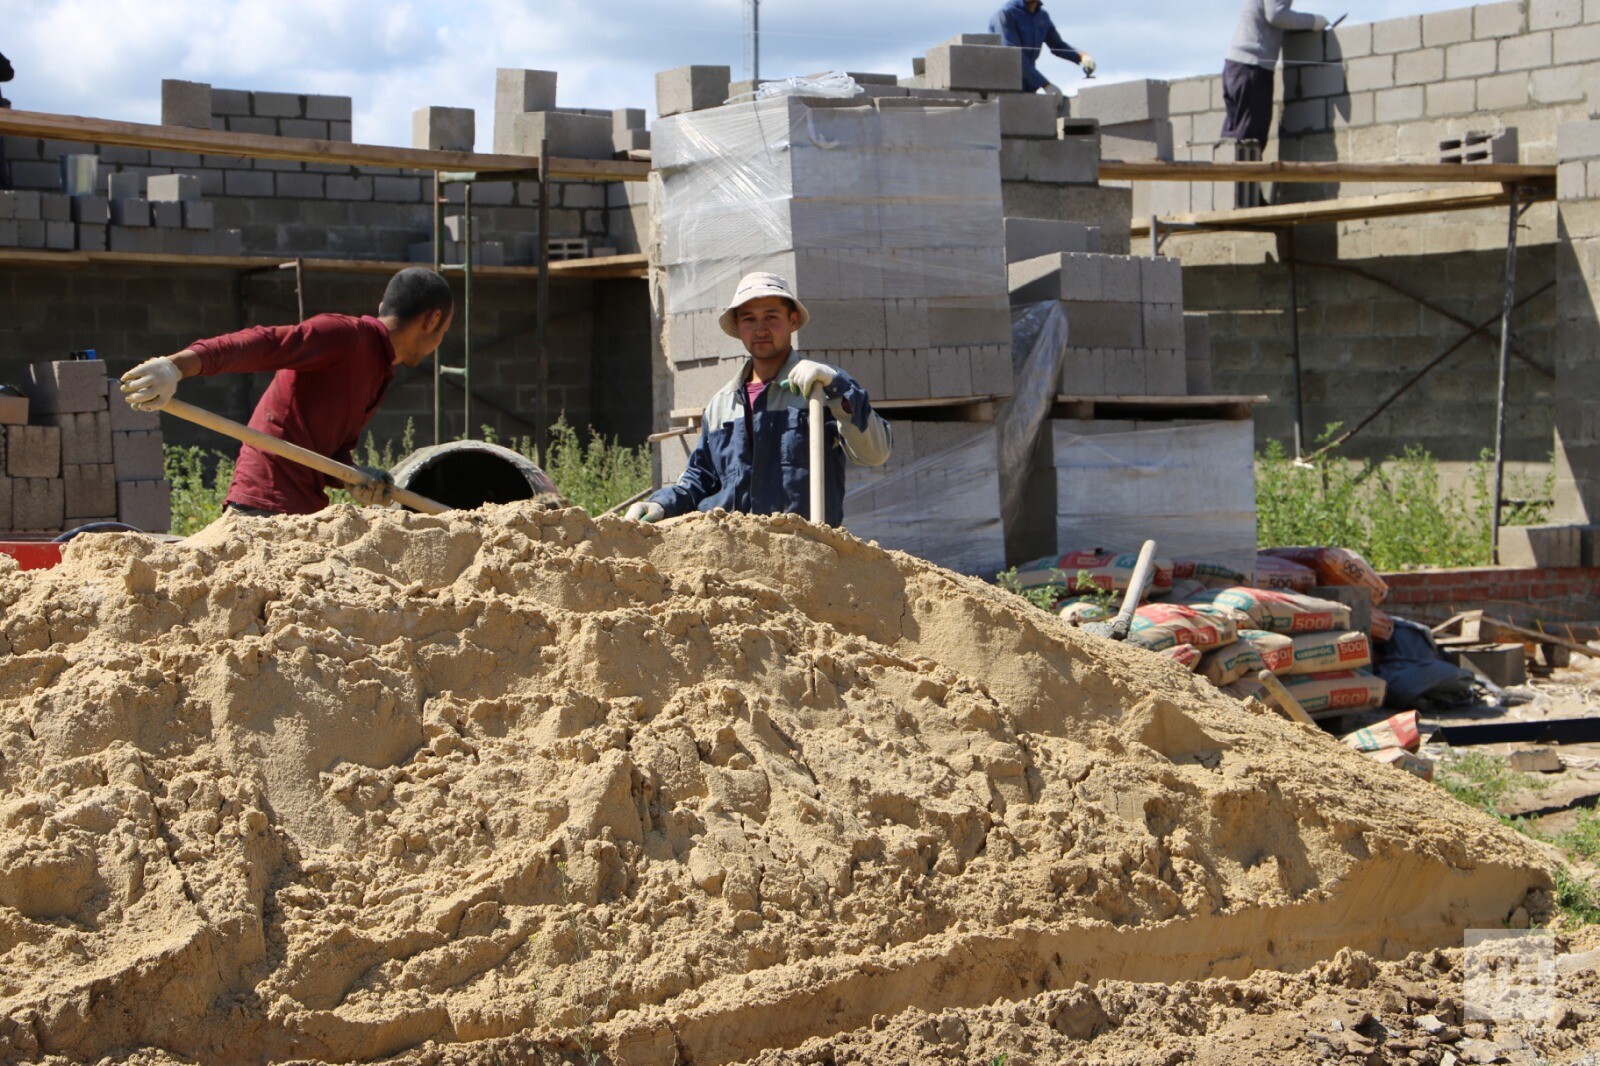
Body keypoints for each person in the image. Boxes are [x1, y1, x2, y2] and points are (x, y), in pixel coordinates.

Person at [119, 267, 454, 516]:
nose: (437, 345)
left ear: (384, 305)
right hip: (262, 507)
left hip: (304, 510)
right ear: (433, 320)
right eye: (445, 331)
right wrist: (176, 366)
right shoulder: (346, 336)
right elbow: (264, 343)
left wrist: (354, 478)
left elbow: (325, 449)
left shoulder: (379, 369)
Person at [626, 272, 891, 527]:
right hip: (734, 558)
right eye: (749, 319)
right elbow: (700, 478)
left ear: (793, 320)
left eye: (771, 317)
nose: (760, 328)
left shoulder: (820, 392)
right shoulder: (722, 406)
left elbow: (875, 453)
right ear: (738, 328)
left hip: (804, 554)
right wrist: (660, 505)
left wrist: (837, 385)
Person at [1223, 0, 1328, 150]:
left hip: (1236, 66)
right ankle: (1244, 174)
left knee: (1233, 141)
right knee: (1250, 144)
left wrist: (1300, 26)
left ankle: (1226, 174)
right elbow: (1276, 15)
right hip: (1252, 66)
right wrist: (1314, 21)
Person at [990, 0, 1095, 96]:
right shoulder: (1006, 13)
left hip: (1028, 86)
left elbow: (1057, 45)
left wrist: (1082, 56)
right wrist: (1045, 85)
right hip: (1005, 88)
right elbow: (1013, 57)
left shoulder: (1042, 16)